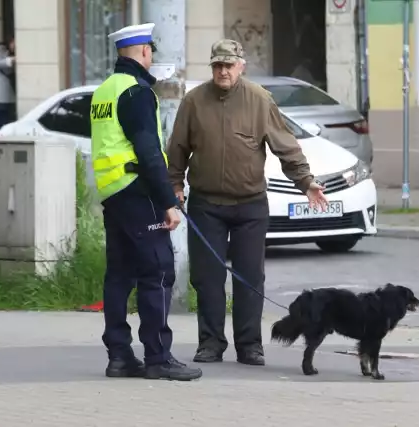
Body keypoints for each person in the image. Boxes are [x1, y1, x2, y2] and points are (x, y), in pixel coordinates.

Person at [166, 39, 328, 366]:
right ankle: (210, 343)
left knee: (250, 278)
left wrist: (306, 183)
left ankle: (250, 345)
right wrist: (175, 187)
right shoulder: (194, 102)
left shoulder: (259, 100)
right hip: (206, 205)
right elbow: (177, 149)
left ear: (241, 66)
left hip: (250, 205)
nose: (223, 71)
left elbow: (287, 148)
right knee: (208, 279)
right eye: (217, 65)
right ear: (212, 67)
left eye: (229, 65)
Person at [91, 22, 202, 381]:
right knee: (157, 272)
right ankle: (158, 358)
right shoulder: (137, 92)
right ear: (143, 52)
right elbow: (149, 152)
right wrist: (168, 201)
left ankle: (119, 356)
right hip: (138, 192)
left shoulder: (104, 91)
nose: (151, 56)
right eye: (151, 50)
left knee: (120, 275)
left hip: (113, 194)